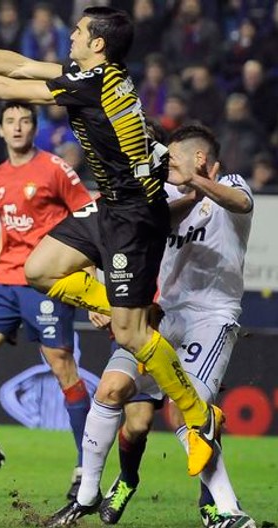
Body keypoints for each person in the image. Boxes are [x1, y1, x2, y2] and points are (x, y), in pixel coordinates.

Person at [0, 6, 222, 480]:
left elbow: (12, 88)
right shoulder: (99, 74)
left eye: (78, 33)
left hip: (135, 218)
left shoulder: (92, 84)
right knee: (40, 269)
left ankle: (201, 417)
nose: (71, 37)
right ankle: (118, 307)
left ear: (98, 44)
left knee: (132, 335)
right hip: (112, 206)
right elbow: (22, 65)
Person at [48, 125, 256, 527]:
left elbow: (241, 203)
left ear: (198, 159)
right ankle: (86, 495)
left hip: (211, 318)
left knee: (188, 412)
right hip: (161, 314)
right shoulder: (165, 195)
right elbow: (137, 231)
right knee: (111, 389)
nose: (165, 164)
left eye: (172, 158)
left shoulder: (230, 183)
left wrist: (197, 184)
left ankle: (227, 511)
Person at [0, 102, 95, 500]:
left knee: (62, 367)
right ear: (0, 130)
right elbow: (7, 229)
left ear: (34, 129)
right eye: (10, 122)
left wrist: (90, 284)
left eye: (24, 121)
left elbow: (89, 219)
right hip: (6, 278)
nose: (17, 128)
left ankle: (86, 463)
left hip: (46, 280)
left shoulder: (55, 169)